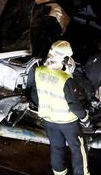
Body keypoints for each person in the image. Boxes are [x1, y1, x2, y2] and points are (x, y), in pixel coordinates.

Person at [27, 40, 91, 175]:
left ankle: (59, 173)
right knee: (78, 149)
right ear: (64, 58)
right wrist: (85, 118)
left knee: (56, 147)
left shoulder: (38, 71)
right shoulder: (65, 78)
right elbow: (74, 105)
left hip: (48, 120)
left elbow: (34, 93)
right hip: (68, 122)